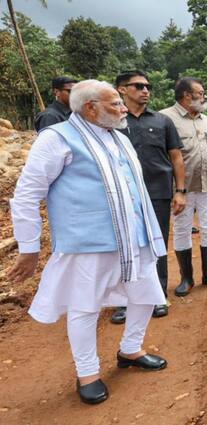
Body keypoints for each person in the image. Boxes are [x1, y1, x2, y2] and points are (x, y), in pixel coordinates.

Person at [7, 80, 168, 405]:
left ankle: (131, 349)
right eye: (115, 104)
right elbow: (27, 193)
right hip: (88, 242)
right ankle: (88, 372)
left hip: (133, 237)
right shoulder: (56, 139)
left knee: (146, 295)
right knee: (85, 307)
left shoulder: (119, 138)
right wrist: (28, 246)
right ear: (90, 108)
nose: (123, 109)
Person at [108, 70, 187, 323]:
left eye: (148, 87)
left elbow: (176, 157)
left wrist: (180, 191)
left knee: (157, 245)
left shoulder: (163, 121)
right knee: (123, 246)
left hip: (158, 194)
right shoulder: (110, 121)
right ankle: (123, 301)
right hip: (121, 196)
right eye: (139, 86)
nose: (146, 91)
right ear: (122, 90)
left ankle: (157, 296)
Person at [160, 77, 207, 297]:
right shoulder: (165, 118)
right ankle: (186, 278)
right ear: (187, 95)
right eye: (201, 92)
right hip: (181, 189)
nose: (204, 95)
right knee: (182, 230)